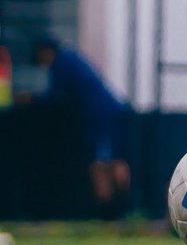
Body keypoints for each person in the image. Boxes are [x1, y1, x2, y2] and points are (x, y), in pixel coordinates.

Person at [26, 34, 131, 217]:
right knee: (113, 159)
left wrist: (31, 99)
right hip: (108, 112)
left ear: (45, 53)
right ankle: (122, 209)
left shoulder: (61, 62)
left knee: (101, 163)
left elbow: (53, 95)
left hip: (100, 114)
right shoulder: (71, 57)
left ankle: (114, 212)